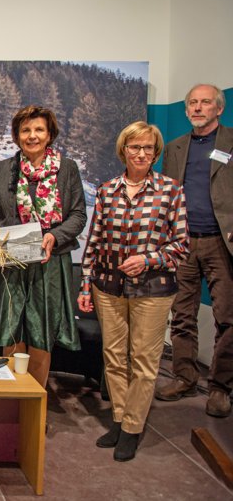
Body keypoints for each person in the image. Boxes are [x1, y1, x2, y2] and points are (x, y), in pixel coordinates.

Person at [79, 121, 188, 462]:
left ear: (155, 153)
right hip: (108, 286)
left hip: (152, 289)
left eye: (148, 148)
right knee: (113, 356)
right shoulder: (108, 190)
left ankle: (132, 427)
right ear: (123, 150)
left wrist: (148, 259)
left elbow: (181, 245)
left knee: (143, 359)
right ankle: (119, 418)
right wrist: (86, 284)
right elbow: (94, 241)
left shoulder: (170, 190)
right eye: (135, 147)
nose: (141, 154)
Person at [0, 105, 86, 389]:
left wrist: (55, 236)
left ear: (49, 135)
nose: (32, 136)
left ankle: (34, 398)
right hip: (11, 262)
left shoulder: (67, 169)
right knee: (11, 329)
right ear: (17, 135)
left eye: (39, 130)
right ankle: (11, 396)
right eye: (25, 130)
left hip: (50, 262)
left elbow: (77, 215)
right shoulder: (3, 169)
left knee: (41, 331)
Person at [155, 84, 233, 418]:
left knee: (227, 317)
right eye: (193, 103)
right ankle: (184, 377)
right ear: (186, 109)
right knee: (182, 314)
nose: (198, 108)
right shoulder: (175, 147)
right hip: (183, 241)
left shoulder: (230, 142)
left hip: (221, 241)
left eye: (205, 102)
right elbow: (166, 194)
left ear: (219, 108)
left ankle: (220, 387)